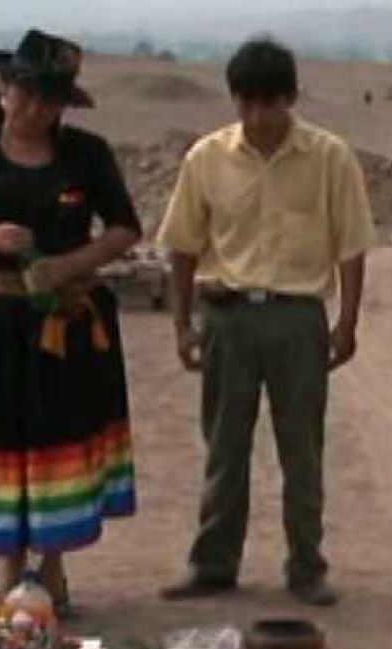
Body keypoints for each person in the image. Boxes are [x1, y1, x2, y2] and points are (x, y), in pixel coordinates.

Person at [0, 29, 142, 611]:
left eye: (52, 100)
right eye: (29, 94)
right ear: (4, 89)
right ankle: (11, 569)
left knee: (57, 436)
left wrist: (70, 264)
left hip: (62, 326)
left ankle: (54, 566)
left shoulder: (87, 155)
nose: (39, 109)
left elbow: (124, 228)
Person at [155, 36, 375, 607]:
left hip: (297, 319)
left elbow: (352, 246)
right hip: (226, 319)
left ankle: (306, 568)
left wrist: (346, 324)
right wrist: (181, 325)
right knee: (224, 448)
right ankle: (213, 565)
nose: (257, 117)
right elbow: (182, 246)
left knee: (301, 451)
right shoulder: (206, 158)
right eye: (246, 103)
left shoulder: (330, 158)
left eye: (269, 104)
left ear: (291, 98)